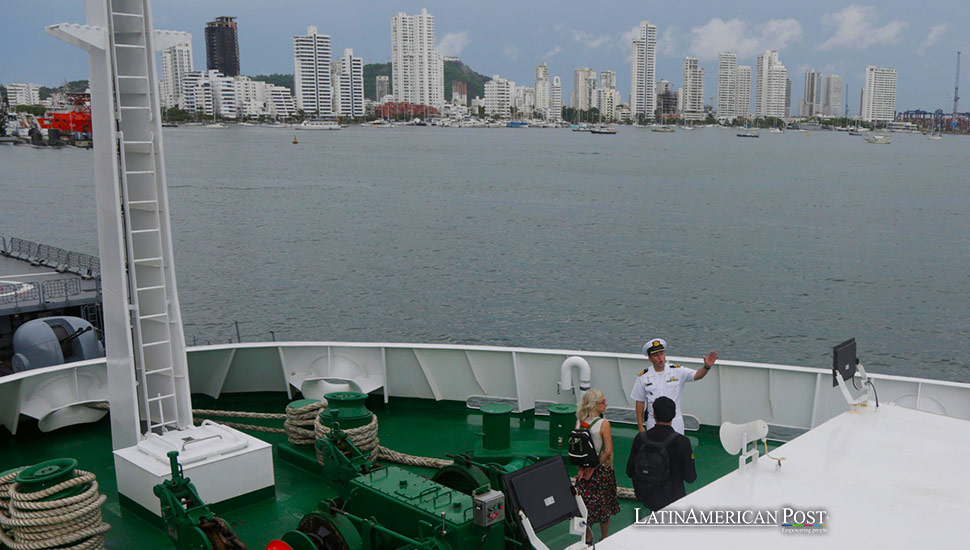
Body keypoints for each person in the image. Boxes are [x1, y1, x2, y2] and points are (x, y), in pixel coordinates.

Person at [630, 338, 717, 434]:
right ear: (650, 358)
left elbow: (697, 375)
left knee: (677, 446)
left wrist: (706, 367)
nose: (660, 358)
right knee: (655, 447)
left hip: (675, 420)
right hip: (653, 420)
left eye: (662, 354)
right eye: (656, 355)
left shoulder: (677, 370)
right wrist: (640, 426)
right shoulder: (643, 376)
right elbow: (639, 401)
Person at [626, 396, 697, 511]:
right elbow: (690, 477)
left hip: (647, 495)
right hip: (673, 497)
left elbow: (630, 471)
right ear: (674, 415)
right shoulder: (682, 442)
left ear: (654, 415)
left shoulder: (641, 438)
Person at [573, 389, 620, 544]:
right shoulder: (603, 424)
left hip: (583, 471)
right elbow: (608, 450)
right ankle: (604, 537)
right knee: (604, 506)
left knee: (586, 506)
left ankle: (587, 536)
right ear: (595, 405)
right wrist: (594, 467)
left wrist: (583, 468)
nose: (606, 404)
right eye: (603, 402)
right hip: (601, 472)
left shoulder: (579, 421)